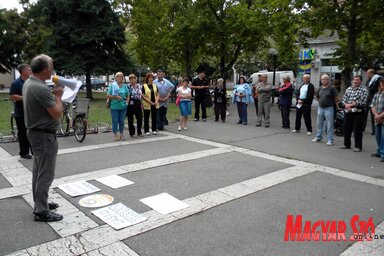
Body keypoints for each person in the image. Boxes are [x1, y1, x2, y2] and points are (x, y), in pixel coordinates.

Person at [23, 54, 63, 222]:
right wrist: (59, 96)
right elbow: (56, 112)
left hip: (36, 133)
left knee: (38, 171)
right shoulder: (39, 88)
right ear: (46, 69)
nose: (53, 69)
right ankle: (41, 210)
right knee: (46, 173)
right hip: (44, 135)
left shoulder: (30, 83)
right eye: (51, 66)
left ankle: (40, 203)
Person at [9, 64, 33, 159]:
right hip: (20, 113)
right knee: (23, 133)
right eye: (29, 70)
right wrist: (25, 97)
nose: (31, 71)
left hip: (31, 112)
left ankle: (34, 150)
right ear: (23, 71)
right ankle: (24, 152)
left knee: (32, 132)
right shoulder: (16, 83)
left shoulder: (31, 82)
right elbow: (11, 96)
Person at [340, 75, 368, 152]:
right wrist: (346, 105)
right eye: (354, 80)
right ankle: (346, 144)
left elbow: (362, 102)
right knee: (346, 128)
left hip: (358, 112)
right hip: (347, 111)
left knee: (357, 130)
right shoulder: (349, 89)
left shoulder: (363, 90)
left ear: (361, 81)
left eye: (357, 80)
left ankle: (358, 146)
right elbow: (344, 99)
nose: (355, 81)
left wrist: (351, 105)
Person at [312, 74, 339, 146]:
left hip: (329, 108)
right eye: (321, 79)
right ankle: (318, 137)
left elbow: (336, 98)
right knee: (319, 124)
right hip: (320, 107)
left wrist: (336, 106)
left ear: (328, 80)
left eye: (324, 79)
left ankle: (330, 140)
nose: (322, 81)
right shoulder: (320, 88)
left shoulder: (332, 88)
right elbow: (317, 98)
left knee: (329, 125)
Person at [107, 72, 130, 141]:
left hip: (123, 107)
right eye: (119, 76)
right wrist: (116, 97)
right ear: (116, 78)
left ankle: (121, 134)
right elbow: (108, 95)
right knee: (115, 121)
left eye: (121, 76)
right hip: (114, 107)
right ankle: (115, 134)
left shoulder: (125, 86)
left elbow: (128, 95)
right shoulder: (112, 86)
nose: (120, 77)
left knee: (122, 121)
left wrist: (127, 103)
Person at [364, 69, 382, 135]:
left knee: (373, 115)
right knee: (364, 113)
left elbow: (379, 88)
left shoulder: (378, 78)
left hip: (375, 98)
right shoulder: (370, 80)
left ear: (371, 73)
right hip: (369, 98)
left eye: (367, 73)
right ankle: (363, 127)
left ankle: (374, 129)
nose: (367, 75)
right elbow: (367, 87)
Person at [370, 78, 384, 162]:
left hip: (382, 118)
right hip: (377, 118)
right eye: (381, 84)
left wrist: (380, 116)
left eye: (383, 83)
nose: (381, 85)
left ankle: (383, 153)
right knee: (377, 135)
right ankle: (379, 151)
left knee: (383, 136)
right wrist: (376, 116)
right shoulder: (377, 94)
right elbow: (372, 106)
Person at [127, 74, 143, 138]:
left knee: (140, 118)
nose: (133, 80)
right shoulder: (127, 86)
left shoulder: (139, 86)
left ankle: (139, 132)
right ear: (129, 80)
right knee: (130, 119)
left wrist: (142, 103)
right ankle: (132, 133)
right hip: (130, 103)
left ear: (136, 79)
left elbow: (142, 95)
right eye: (131, 79)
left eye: (134, 78)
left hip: (138, 102)